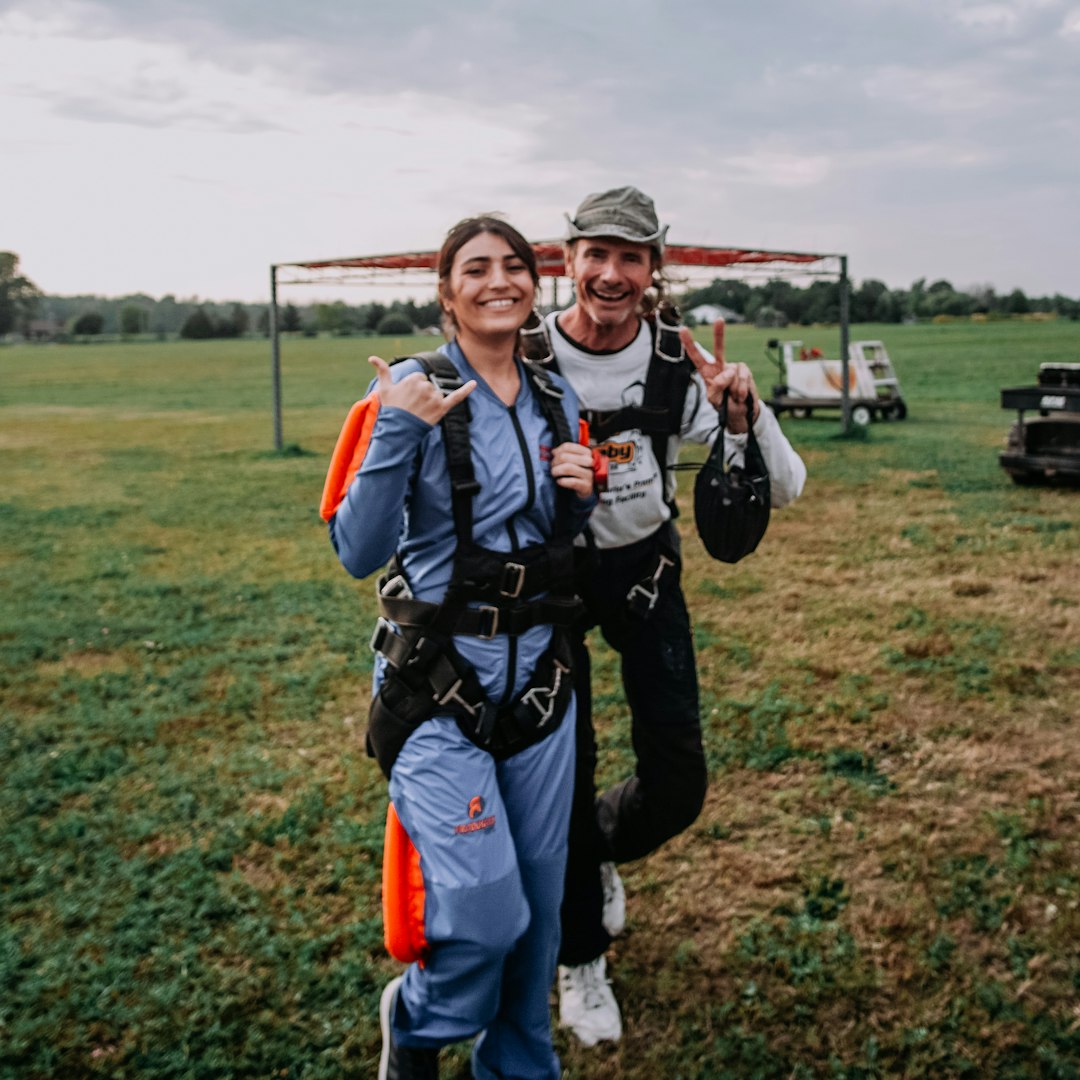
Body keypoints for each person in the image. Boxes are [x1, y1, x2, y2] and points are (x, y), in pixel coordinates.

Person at [530, 186, 808, 1046]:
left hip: (645, 574)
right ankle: (581, 960)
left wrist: (740, 409)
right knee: (560, 791)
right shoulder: (523, 352)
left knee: (680, 782)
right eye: (596, 254)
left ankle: (604, 848)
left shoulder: (678, 363)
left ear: (654, 269)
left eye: (632, 257)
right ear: (567, 258)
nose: (611, 275)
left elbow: (789, 485)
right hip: (545, 593)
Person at [322, 215, 597, 1080]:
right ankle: (416, 1026)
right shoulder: (406, 388)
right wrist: (398, 429)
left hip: (542, 688)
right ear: (447, 293)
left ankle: (518, 1065)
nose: (498, 282)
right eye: (475, 270)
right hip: (436, 686)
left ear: (534, 284)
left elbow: (552, 541)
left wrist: (579, 497)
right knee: (485, 915)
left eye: (514, 266)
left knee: (540, 918)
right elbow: (357, 551)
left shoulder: (558, 399)